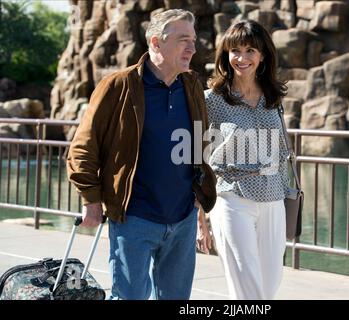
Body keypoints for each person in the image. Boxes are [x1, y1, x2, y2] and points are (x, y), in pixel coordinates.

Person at [66, 9, 216, 300]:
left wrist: (199, 207)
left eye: (194, 40)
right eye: (183, 40)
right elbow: (84, 146)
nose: (192, 48)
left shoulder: (192, 86)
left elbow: (200, 146)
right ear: (157, 43)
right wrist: (91, 199)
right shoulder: (118, 86)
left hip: (182, 218)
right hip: (135, 218)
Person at [204, 20, 289, 300]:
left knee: (269, 285)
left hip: (274, 197)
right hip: (231, 197)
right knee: (247, 289)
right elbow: (195, 157)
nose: (242, 58)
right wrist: (198, 217)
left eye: (250, 50)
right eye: (235, 50)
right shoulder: (211, 100)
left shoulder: (274, 98)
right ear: (225, 55)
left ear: (263, 55)